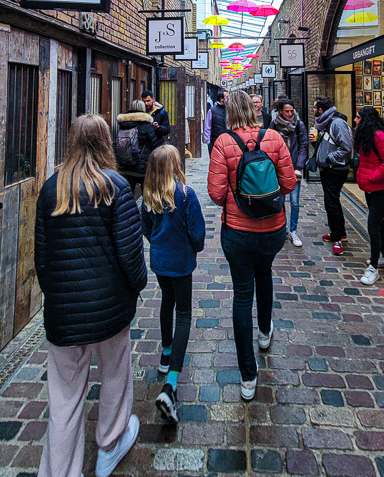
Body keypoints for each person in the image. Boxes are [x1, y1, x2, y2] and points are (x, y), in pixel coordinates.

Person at [34, 114, 147, 477]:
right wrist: (137, 285)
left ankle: (60, 470)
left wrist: (57, 296)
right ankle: (110, 444)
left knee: (64, 396)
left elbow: (43, 257)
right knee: (115, 373)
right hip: (109, 307)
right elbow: (130, 252)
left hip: (64, 314)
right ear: (105, 142)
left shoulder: (51, 188)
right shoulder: (114, 185)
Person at [208, 91, 296, 401]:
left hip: (237, 231)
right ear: (253, 110)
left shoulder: (223, 142)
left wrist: (237, 197)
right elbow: (288, 184)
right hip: (272, 229)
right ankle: (265, 332)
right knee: (265, 274)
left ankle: (248, 376)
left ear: (230, 111)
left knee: (242, 295)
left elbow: (216, 194)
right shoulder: (273, 137)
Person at [141, 145, 205, 423]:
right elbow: (198, 234)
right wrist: (192, 247)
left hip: (160, 262)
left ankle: (166, 352)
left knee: (166, 303)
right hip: (181, 262)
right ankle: (172, 383)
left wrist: (158, 243)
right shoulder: (186, 195)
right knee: (185, 314)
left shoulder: (148, 196)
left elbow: (146, 229)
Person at [354, 106, 384, 285]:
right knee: (379, 224)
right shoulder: (367, 136)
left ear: (366, 119)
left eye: (358, 117)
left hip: (382, 188)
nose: (355, 120)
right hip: (371, 188)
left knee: (372, 225)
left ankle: (374, 268)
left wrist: (372, 177)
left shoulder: (379, 136)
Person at [310, 96, 353, 256]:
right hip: (327, 168)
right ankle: (339, 232)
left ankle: (337, 238)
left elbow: (346, 147)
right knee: (332, 200)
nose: (313, 110)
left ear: (321, 110)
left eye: (314, 108)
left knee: (331, 202)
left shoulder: (336, 123)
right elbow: (329, 144)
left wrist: (329, 158)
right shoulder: (324, 122)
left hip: (336, 169)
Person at [270, 98, 308, 247]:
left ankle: (293, 230)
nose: (290, 114)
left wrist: (299, 166)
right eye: (287, 111)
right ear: (280, 111)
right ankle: (281, 227)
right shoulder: (274, 124)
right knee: (280, 201)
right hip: (278, 168)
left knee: (295, 202)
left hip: (293, 168)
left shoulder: (299, 124)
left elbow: (303, 146)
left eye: (291, 111)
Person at [116, 99, 158, 192]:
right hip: (142, 167)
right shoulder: (146, 124)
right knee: (146, 192)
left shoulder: (124, 124)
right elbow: (153, 143)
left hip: (125, 165)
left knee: (128, 192)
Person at [203, 90, 228, 155]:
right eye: (227, 97)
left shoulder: (231, 110)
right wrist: (208, 142)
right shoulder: (212, 110)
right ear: (222, 99)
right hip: (215, 142)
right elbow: (207, 127)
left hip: (228, 143)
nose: (229, 99)